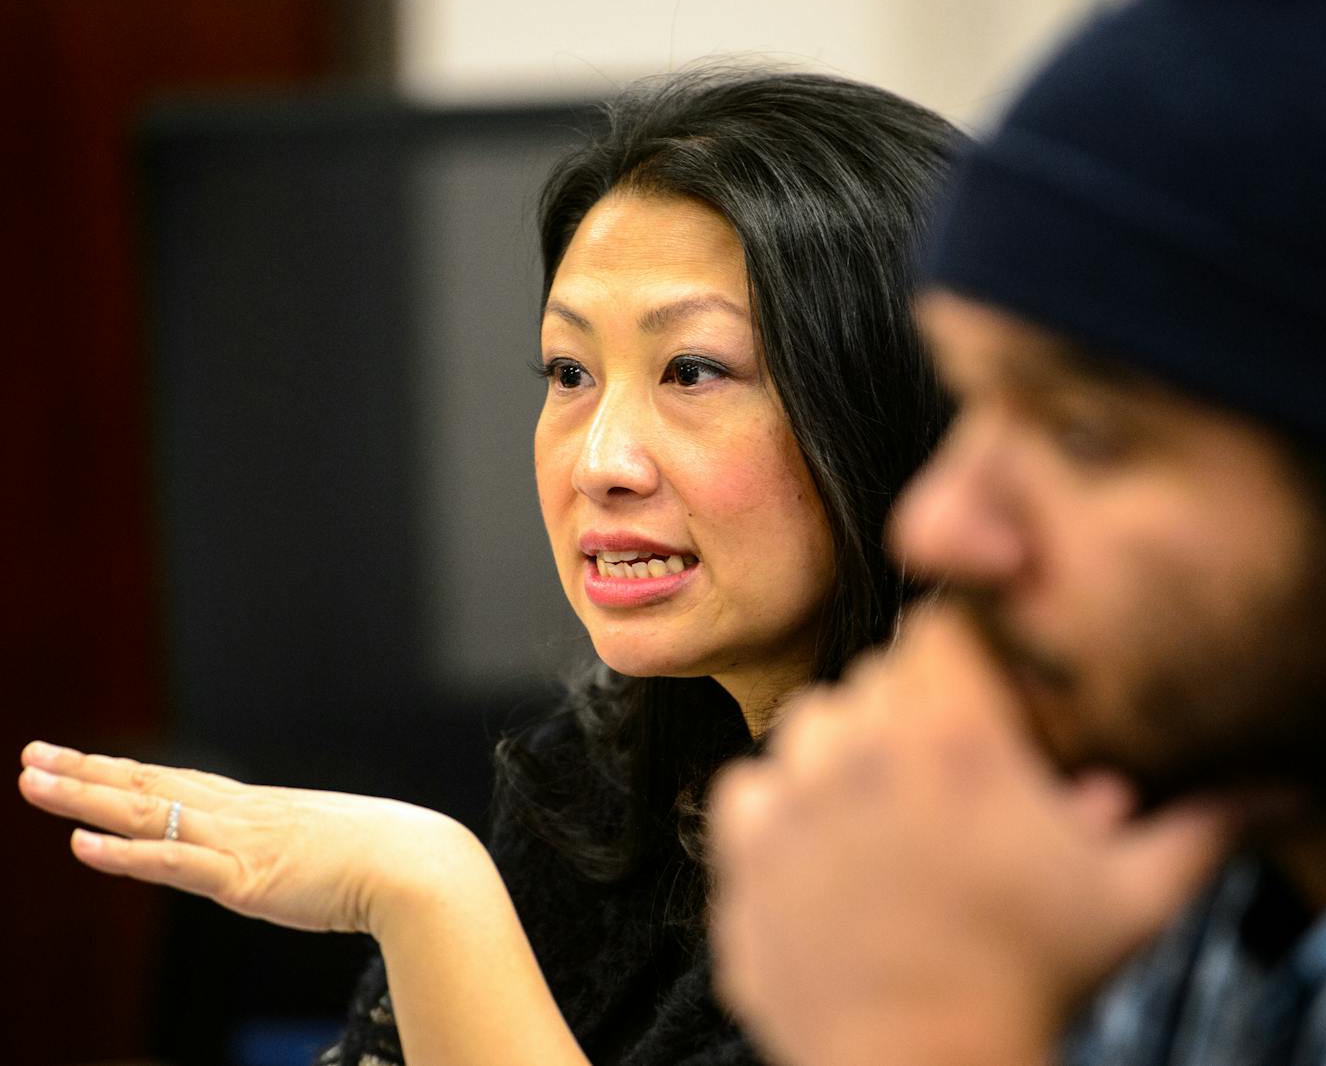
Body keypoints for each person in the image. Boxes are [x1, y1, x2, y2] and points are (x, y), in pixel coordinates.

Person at [16, 69, 964, 1065]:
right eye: (568, 373)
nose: (597, 461)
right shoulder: (602, 775)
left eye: (690, 371)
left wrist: (426, 892)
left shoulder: (993, 856)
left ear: (889, 402)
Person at [709, 0, 1326, 1065]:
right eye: (972, 401)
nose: (937, 525)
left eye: (1082, 433)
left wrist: (915, 1029)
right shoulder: (1211, 840)